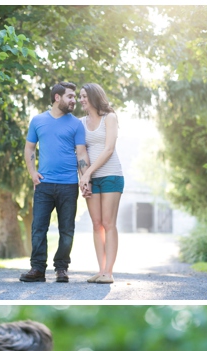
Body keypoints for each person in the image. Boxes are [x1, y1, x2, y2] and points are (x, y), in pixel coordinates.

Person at [20, 82, 89, 284]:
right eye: (70, 96)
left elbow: (82, 153)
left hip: (68, 184)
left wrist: (84, 179)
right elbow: (30, 148)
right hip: (44, 184)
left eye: (75, 97)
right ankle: (38, 269)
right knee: (38, 227)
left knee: (67, 229)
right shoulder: (38, 121)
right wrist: (32, 172)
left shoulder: (76, 124)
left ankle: (61, 268)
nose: (74, 100)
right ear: (57, 97)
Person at [78, 84, 124, 284]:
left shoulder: (110, 118)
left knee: (108, 223)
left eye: (84, 96)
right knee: (96, 225)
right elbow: (80, 153)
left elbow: (108, 149)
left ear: (95, 97)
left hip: (111, 175)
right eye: (80, 96)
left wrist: (88, 172)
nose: (81, 100)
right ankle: (101, 270)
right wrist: (84, 178)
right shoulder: (80, 123)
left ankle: (109, 272)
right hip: (90, 178)